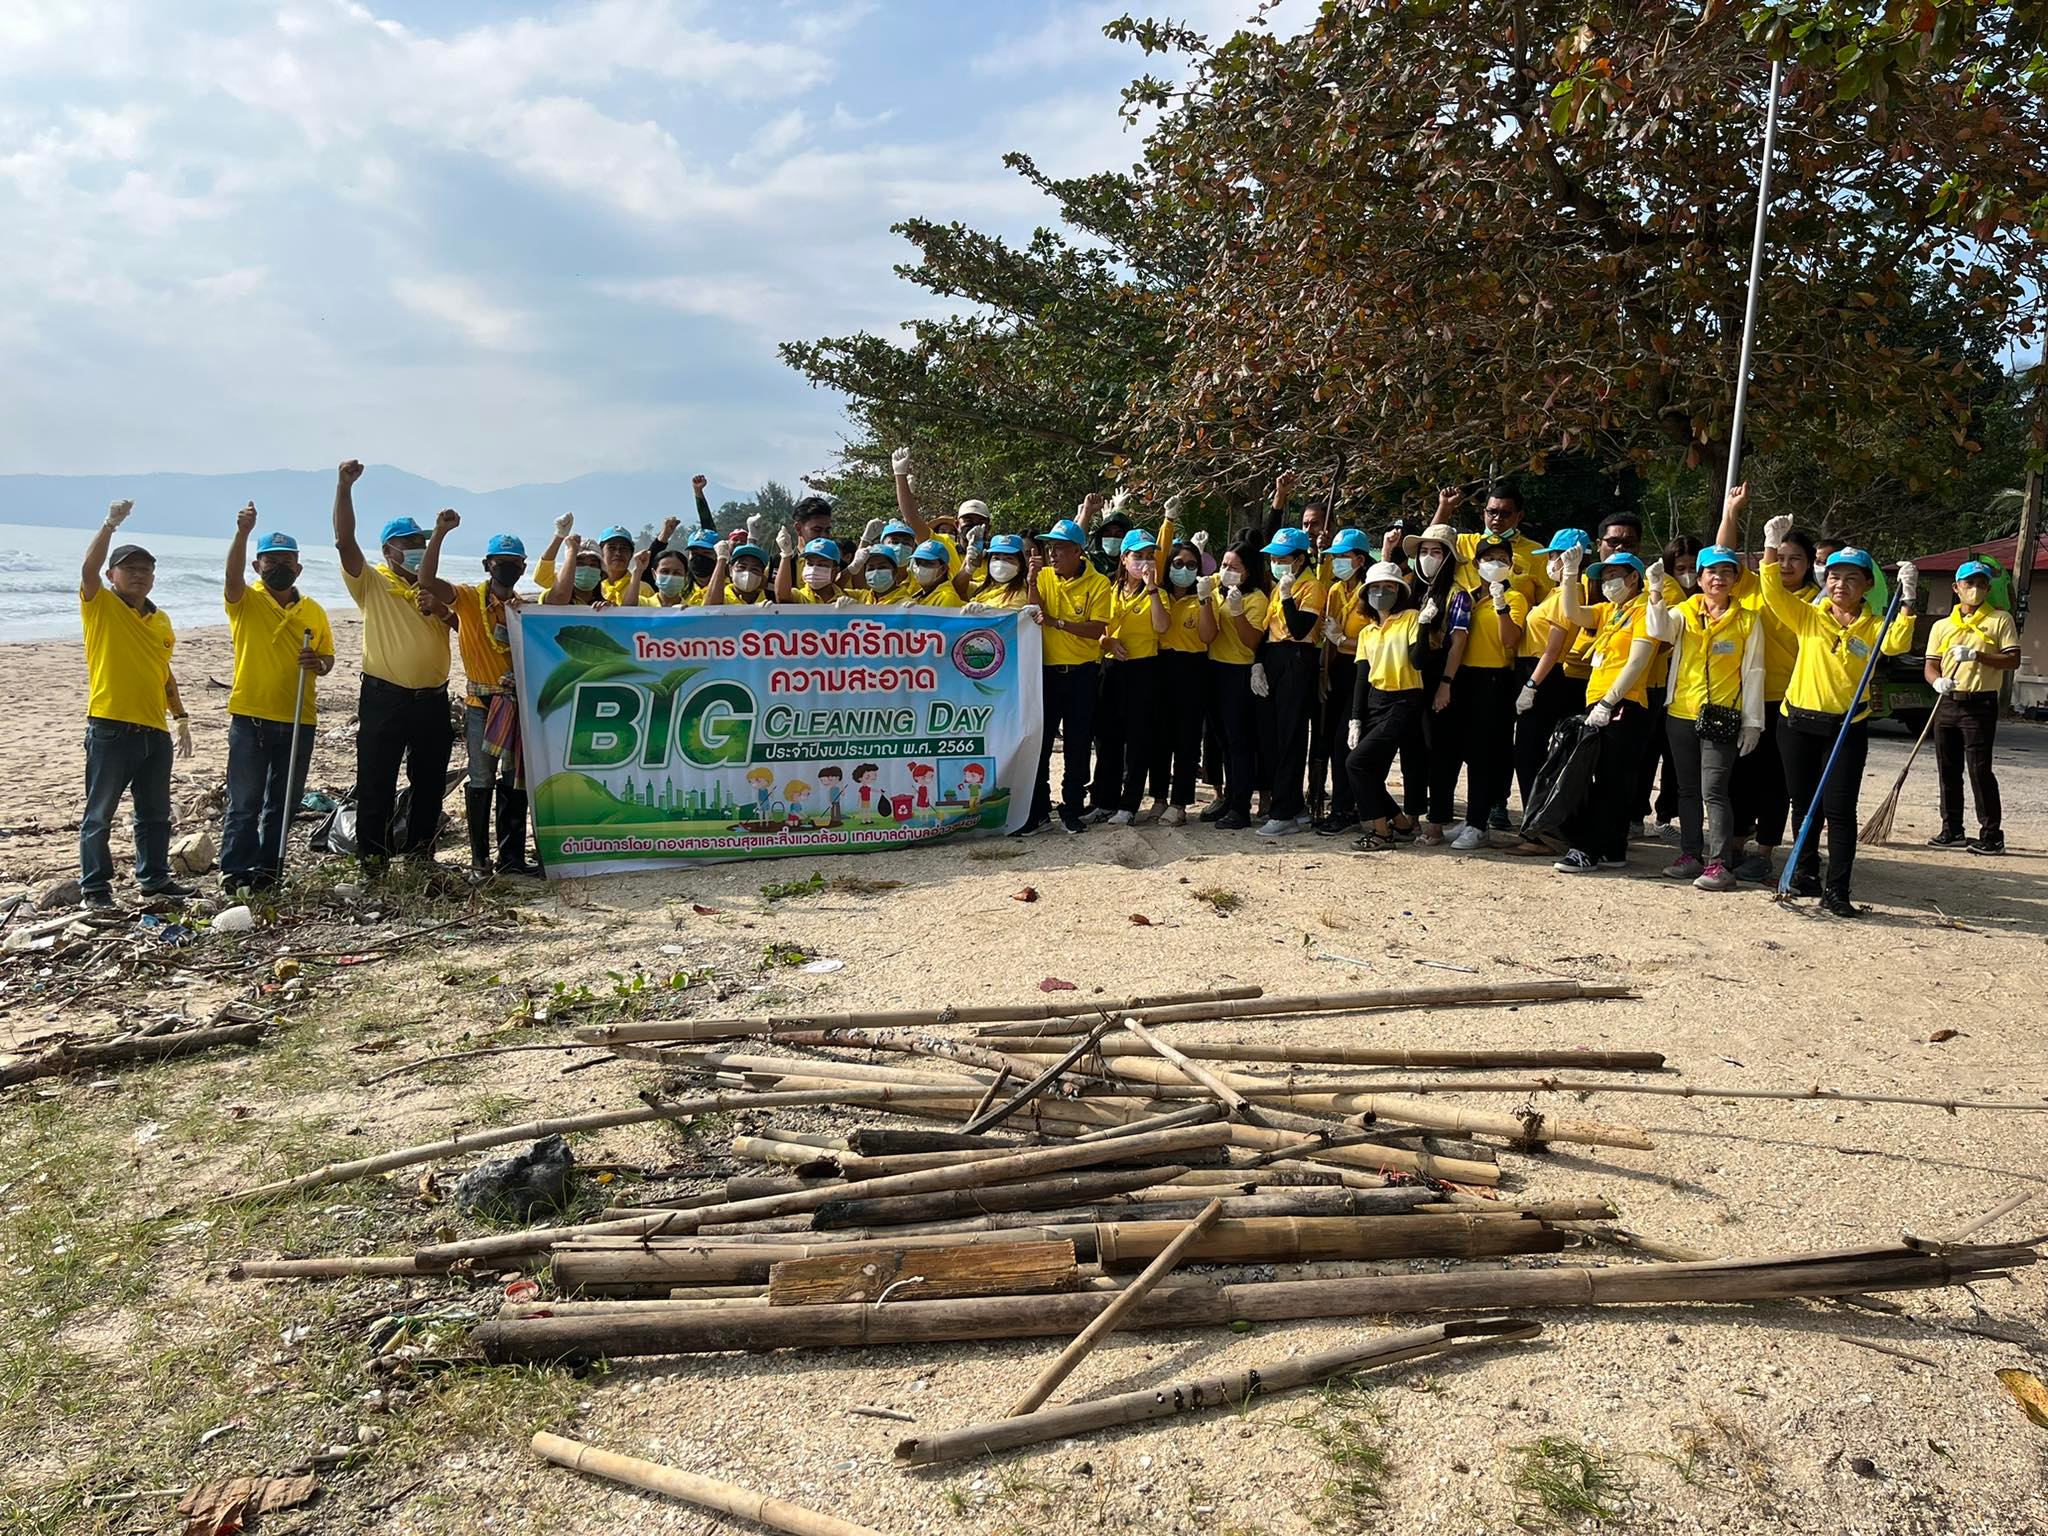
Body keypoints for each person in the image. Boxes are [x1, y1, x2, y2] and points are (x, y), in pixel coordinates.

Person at [1757, 510, 1918, 915]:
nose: (1839, 584)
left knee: (1840, 810)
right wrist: (1771, 547)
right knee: (1804, 803)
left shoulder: (1875, 625)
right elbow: (1773, 593)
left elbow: (1897, 644)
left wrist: (1910, 599)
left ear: (1866, 585)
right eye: (1833, 576)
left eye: (1850, 578)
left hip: (1846, 728)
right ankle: (1805, 872)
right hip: (1797, 722)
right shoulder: (1808, 616)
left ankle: (1838, 889)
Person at [332, 461, 456, 871]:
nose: (415, 547)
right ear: (387, 550)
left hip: (433, 700)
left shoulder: (432, 583)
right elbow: (344, 540)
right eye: (407, 542)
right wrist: (344, 487)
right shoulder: (372, 581)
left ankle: (422, 855)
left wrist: (438, 607)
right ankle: (373, 861)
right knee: (376, 780)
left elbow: (460, 623)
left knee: (430, 781)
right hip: (385, 696)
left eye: (420, 540)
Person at [75, 500, 194, 907]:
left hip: (154, 732)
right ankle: (95, 889)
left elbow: (162, 670)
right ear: (113, 576)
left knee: (154, 814)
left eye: (145, 570)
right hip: (111, 727)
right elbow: (87, 570)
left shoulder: (160, 621)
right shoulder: (102, 607)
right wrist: (110, 524)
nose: (139, 575)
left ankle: (155, 880)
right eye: (129, 568)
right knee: (99, 814)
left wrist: (181, 717)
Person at [416, 512, 538, 878]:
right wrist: (439, 534)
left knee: (514, 778)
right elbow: (425, 580)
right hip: (480, 704)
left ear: (523, 567)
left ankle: (512, 859)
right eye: (501, 564)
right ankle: (479, 861)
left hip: (515, 704)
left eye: (514, 564)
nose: (507, 569)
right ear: (487, 565)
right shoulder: (468, 598)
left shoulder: (523, 610)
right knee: (481, 778)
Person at [221, 506, 335, 892]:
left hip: (299, 719)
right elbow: (231, 577)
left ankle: (269, 872)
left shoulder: (314, 610)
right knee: (244, 802)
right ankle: (236, 870)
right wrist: (242, 533)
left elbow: (329, 658)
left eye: (287, 561)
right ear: (258, 565)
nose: (279, 567)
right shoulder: (245, 601)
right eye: (271, 561)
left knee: (283, 803)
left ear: (299, 568)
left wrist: (318, 662)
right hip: (250, 718)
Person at [1644, 545, 1764, 890]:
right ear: (1699, 578)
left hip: (1722, 716)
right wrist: (1655, 591)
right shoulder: (1685, 611)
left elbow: (1754, 671)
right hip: (1681, 712)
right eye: (1712, 572)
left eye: (1727, 572)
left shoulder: (1746, 619)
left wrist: (1753, 721)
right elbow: (1659, 630)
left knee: (1714, 790)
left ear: (1735, 580)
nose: (1719, 578)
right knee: (1687, 790)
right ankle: (1690, 854)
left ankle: (1719, 863)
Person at [1717, 484, 1810, 882]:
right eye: (1780, 557)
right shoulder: (1754, 586)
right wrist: (1732, 513)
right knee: (1739, 775)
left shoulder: (1815, 602)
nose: (1786, 565)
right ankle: (1735, 846)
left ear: (1809, 565)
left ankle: (1765, 851)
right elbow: (1722, 557)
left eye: (1796, 559)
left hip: (1785, 701)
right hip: (1744, 698)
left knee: (1776, 781)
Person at [1551, 545, 1658, 874]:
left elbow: (1639, 660)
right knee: (1606, 776)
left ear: (1633, 578)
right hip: (1598, 701)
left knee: (1610, 779)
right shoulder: (1609, 611)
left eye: (1614, 576)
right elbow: (1574, 613)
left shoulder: (1643, 610)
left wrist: (1611, 700)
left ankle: (1587, 848)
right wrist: (1570, 574)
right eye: (1605, 577)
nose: (1608, 582)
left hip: (1623, 702)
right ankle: (1613, 846)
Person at [1925, 558, 2018, 855]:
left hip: (1979, 703)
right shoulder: (1942, 625)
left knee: (1979, 769)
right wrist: (1937, 682)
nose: (1975, 589)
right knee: (1947, 768)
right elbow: (1931, 665)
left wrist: (1978, 656)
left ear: (1988, 588)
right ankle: (1952, 829)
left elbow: (2012, 659)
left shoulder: (2000, 619)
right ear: (1957, 588)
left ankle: (1991, 835)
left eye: (1981, 584)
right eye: (1969, 584)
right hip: (1948, 701)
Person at [1024, 517, 1111, 835]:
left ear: (1078, 551)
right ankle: (1039, 810)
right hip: (1045, 674)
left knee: (1077, 745)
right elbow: (1035, 614)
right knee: (1042, 744)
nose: (1053, 554)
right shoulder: (1044, 576)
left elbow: (1097, 629)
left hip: (1082, 675)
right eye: (1050, 548)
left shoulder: (1098, 583)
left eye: (1060, 548)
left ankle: (1072, 808)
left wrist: (1059, 623)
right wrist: (1032, 583)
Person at [1447, 531, 1527, 851]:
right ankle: (1471, 819)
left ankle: (1479, 825)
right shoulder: (1467, 595)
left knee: (1484, 754)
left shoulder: (1516, 598)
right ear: (1477, 563)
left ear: (1510, 565)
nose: (1495, 564)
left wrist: (1501, 605)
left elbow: (1510, 640)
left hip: (1495, 680)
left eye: (1502, 560)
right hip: (1466, 677)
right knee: (1466, 750)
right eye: (1488, 559)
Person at [1395, 521, 1471, 844]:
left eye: (1435, 552)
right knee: (1411, 747)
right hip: (1413, 673)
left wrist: (1446, 683)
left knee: (1439, 750)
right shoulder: (1414, 590)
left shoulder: (1458, 595)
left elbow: (1458, 643)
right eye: (1423, 551)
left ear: (1448, 557)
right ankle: (1411, 813)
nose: (1428, 557)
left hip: (1440, 671)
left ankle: (1437, 821)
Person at [1343, 561, 1425, 851]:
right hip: (1376, 700)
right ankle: (1400, 824)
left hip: (1405, 698)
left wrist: (1425, 627)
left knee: (1356, 763)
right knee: (1369, 769)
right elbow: (1362, 679)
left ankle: (1381, 831)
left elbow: (1417, 660)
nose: (1381, 593)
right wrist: (1355, 719)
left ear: (1399, 591)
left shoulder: (1412, 618)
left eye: (1388, 587)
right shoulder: (1367, 632)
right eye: (1375, 588)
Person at [1087, 530, 1168, 825]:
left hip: (1143, 669)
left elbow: (1161, 626)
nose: (1144, 562)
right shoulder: (1109, 589)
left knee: (1137, 740)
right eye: (1138, 556)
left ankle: (1129, 804)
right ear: (1124, 558)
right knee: (1107, 738)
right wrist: (1106, 643)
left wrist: (1152, 589)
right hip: (1111, 668)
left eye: (1150, 556)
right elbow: (1098, 631)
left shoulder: (1158, 591)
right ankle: (1104, 801)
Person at [1515, 529, 1596, 807]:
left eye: (1554, 555)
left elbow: (1553, 649)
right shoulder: (1558, 591)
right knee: (1529, 751)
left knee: (1529, 751)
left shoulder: (1569, 594)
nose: (1550, 561)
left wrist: (1531, 686)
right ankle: (1534, 819)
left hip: (1543, 675)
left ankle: (1538, 825)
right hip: (1534, 671)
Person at [1255, 526, 1325, 837]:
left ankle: (1283, 810)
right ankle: (1294, 805)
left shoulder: (1311, 587)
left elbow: (1299, 628)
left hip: (1297, 656)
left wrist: (1286, 597)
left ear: (1299, 559)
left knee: (1291, 734)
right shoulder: (1277, 586)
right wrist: (1258, 663)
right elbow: (1267, 629)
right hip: (1275, 656)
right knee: (1275, 733)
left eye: (1282, 558)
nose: (1275, 563)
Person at [1195, 543, 1271, 829]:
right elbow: (1208, 635)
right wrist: (1205, 600)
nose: (1226, 571)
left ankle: (1241, 807)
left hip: (1240, 673)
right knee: (1223, 741)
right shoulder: (1218, 592)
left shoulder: (1256, 599)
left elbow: (1251, 641)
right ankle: (1229, 797)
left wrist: (1238, 613)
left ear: (1248, 571)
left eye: (1234, 567)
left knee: (1240, 743)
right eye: (1224, 565)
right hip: (1215, 668)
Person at [1313, 529, 1374, 834]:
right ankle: (1339, 804)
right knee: (1328, 741)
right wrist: (1324, 670)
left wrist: (1342, 639)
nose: (1337, 562)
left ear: (1360, 559)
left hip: (1364, 671)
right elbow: (1327, 633)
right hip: (1337, 670)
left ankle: (1345, 807)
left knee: (1345, 742)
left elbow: (1375, 637)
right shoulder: (1337, 590)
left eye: (1343, 557)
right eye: (1334, 557)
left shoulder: (1371, 589)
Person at [1148, 537, 1209, 825]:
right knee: (1159, 737)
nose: (1184, 569)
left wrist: (1207, 598)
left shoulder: (1204, 597)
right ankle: (1159, 797)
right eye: (1178, 563)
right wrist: (1168, 520)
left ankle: (1180, 802)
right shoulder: (1158, 594)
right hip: (1160, 665)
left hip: (1192, 668)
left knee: (1186, 739)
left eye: (1192, 564)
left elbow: (1208, 636)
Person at [957, 533, 1034, 606]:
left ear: (1021, 564)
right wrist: (969, 568)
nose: (1001, 563)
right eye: (996, 558)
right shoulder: (984, 586)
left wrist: (985, 611)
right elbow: (956, 589)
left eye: (1009, 558)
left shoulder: (1020, 595)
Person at [777, 534, 850, 604]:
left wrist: (853, 608)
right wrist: (786, 554)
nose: (814, 569)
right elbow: (782, 596)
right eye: (810, 564)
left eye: (822, 565)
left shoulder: (847, 597)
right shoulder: (800, 596)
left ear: (835, 570)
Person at [702, 538, 773, 606]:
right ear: (730, 570)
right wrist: (722, 559)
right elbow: (709, 609)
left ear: (762, 574)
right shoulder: (720, 596)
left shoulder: (771, 599)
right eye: (741, 567)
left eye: (755, 569)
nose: (747, 573)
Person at [906, 539, 964, 607]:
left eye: (928, 563)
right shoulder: (918, 594)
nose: (920, 567)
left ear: (943, 569)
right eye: (918, 563)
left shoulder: (947, 597)